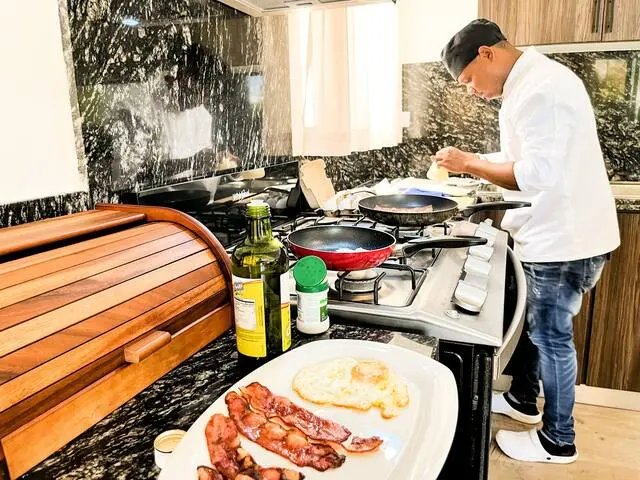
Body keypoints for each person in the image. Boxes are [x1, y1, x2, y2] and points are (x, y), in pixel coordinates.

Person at [435, 19, 620, 464]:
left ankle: (559, 441)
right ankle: (522, 399)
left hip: (565, 240)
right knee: (539, 331)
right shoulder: (528, 84)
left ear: (487, 54)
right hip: (555, 234)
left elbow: (539, 174)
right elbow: (520, 157)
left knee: (552, 338)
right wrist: (469, 161)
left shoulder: (543, 89)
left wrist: (470, 164)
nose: (471, 91)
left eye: (468, 80)